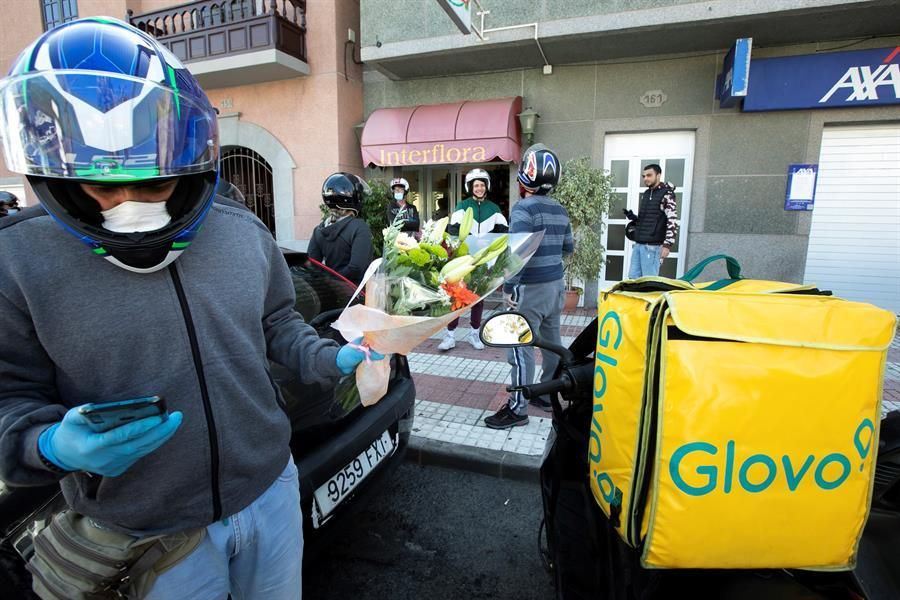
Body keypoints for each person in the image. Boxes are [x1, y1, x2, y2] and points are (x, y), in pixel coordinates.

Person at [0, 18, 381, 600]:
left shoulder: (239, 230)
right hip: (147, 531)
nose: (132, 205)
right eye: (103, 187)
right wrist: (46, 443)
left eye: (153, 183)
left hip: (269, 490)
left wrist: (329, 358)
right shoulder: (17, 262)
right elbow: (8, 397)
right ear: (55, 176)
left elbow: (278, 323)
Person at [485, 145, 573, 430]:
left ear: (524, 178)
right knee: (552, 342)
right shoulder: (560, 209)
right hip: (556, 286)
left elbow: (517, 253)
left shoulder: (523, 209)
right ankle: (547, 395)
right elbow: (568, 248)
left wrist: (508, 287)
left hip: (531, 289)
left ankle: (518, 408)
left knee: (518, 346)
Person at [438, 168, 508, 352]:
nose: (479, 188)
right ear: (470, 187)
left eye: (482, 185)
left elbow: (503, 233)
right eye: (476, 185)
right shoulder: (462, 206)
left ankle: (474, 334)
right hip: (464, 259)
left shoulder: (494, 209)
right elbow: (453, 230)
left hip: (484, 260)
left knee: (478, 298)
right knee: (457, 296)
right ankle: (450, 336)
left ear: (487, 187)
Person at [307, 173, 374, 285]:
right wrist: (334, 280)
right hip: (355, 293)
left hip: (330, 293)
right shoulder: (359, 227)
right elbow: (357, 267)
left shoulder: (318, 230)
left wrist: (328, 281)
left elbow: (311, 265)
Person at [627, 163, 678, 278]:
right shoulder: (646, 194)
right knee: (633, 279)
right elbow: (648, 218)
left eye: (649, 175)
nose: (645, 178)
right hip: (639, 245)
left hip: (653, 247)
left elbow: (672, 220)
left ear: (658, 175)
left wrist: (667, 245)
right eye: (644, 176)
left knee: (648, 283)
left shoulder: (667, 194)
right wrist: (633, 218)